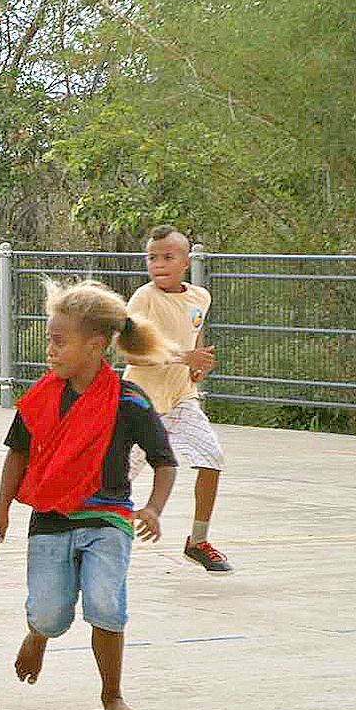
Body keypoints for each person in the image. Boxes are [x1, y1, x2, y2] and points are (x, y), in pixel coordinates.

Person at [0, 279, 178, 710]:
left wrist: (153, 508)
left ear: (94, 346)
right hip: (50, 518)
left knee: (105, 603)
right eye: (48, 339)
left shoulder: (129, 401)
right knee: (50, 614)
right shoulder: (40, 399)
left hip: (107, 516)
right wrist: (1, 511)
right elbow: (18, 454)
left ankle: (112, 694)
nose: (49, 350)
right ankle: (38, 635)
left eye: (58, 341)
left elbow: (164, 460)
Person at [126, 226, 229, 572]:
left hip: (182, 398)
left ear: (186, 261)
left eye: (168, 257)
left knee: (212, 457)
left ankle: (198, 541)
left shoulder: (200, 297)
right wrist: (184, 358)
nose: (158, 265)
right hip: (143, 402)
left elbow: (194, 339)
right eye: (152, 258)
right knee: (119, 475)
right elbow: (130, 355)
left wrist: (198, 366)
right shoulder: (143, 299)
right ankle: (96, 531)